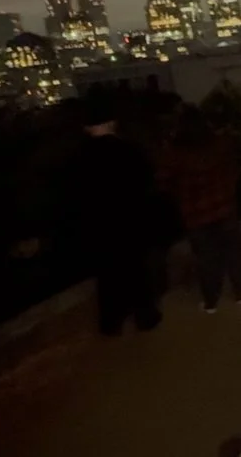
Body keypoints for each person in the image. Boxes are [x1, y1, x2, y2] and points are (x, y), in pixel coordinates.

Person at [71, 92, 164, 336]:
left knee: (107, 275)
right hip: (130, 221)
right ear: (112, 122)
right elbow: (147, 184)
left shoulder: (79, 156)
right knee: (137, 270)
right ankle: (145, 316)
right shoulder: (129, 150)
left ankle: (111, 323)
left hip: (97, 225)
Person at [157, 105, 241, 313]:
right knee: (233, 251)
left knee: (206, 257)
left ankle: (211, 301)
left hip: (195, 213)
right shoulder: (220, 144)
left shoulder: (174, 153)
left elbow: (163, 182)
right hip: (224, 206)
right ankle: (240, 292)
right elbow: (233, 168)